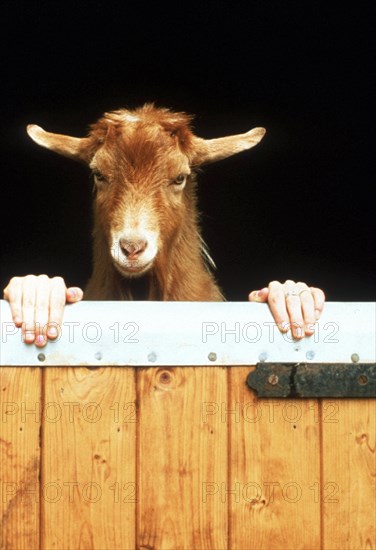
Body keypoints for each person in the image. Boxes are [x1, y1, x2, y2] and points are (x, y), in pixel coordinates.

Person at [3, 275, 325, 347]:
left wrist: (292, 299)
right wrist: (35, 292)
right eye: (102, 177)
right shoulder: (74, 298)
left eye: (176, 178)